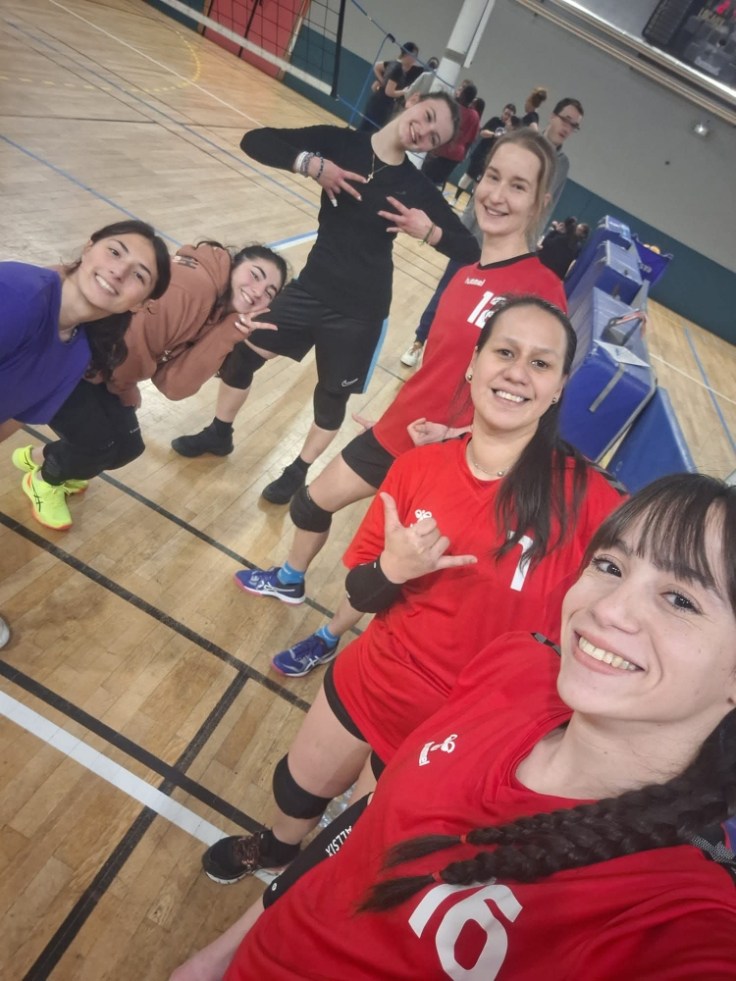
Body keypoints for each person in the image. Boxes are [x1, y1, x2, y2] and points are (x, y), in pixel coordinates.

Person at [174, 473, 736, 980]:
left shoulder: (675, 915)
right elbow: (361, 831)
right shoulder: (515, 668)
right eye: (610, 567)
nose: (608, 609)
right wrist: (225, 951)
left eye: (680, 599)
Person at [201, 294, 625, 886]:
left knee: (353, 858)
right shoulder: (417, 468)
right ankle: (274, 847)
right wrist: (392, 569)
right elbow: (359, 591)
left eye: (540, 363)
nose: (517, 373)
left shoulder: (593, 505)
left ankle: (297, 897)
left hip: (456, 727)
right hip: (375, 677)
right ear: (473, 364)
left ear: (558, 389)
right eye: (504, 353)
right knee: (296, 788)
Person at [239, 129, 568, 675]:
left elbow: (537, 399)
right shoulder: (466, 273)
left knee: (379, 570)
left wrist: (458, 436)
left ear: (540, 203)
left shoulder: (540, 291)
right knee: (310, 503)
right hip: (401, 432)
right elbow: (443, 366)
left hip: (452, 459)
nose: (496, 195)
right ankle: (290, 580)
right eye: (492, 177)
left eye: (518, 186)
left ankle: (326, 637)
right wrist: (397, 410)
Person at [171, 95, 479, 505]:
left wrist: (429, 232)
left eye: (433, 138)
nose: (422, 132)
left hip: (360, 312)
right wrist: (312, 165)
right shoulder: (340, 143)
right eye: (426, 118)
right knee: (242, 354)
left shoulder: (415, 187)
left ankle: (298, 471)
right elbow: (256, 140)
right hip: (310, 289)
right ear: (413, 101)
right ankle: (219, 433)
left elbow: (470, 249)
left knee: (331, 398)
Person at [11, 242, 287, 530]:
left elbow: (175, 385)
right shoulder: (194, 287)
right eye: (255, 275)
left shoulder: (222, 314)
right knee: (98, 447)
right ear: (234, 264)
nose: (258, 291)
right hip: (61, 352)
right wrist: (125, 387)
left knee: (127, 448)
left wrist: (228, 333)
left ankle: (42, 458)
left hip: (98, 362)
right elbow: (127, 344)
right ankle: (43, 480)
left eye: (270, 292)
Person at [403, 96, 584, 367]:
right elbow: (484, 189)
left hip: (511, 251)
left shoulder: (562, 165)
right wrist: (464, 226)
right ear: (553, 116)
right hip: (474, 240)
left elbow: (547, 208)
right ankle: (420, 341)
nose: (567, 127)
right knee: (447, 291)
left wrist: (530, 245)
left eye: (574, 125)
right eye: (565, 119)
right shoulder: (518, 140)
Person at [0, 219, 170, 447]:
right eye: (114, 252)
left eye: (139, 275)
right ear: (88, 247)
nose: (119, 272)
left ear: (140, 304)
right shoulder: (16, 295)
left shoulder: (79, 354)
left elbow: (13, 418)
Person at [450, 102, 516, 208]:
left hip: (491, 160)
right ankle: (455, 199)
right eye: (506, 113)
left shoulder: (510, 131)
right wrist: (494, 134)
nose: (506, 116)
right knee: (467, 178)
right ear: (503, 112)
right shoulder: (495, 121)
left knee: (479, 184)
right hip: (480, 154)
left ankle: (469, 206)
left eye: (509, 115)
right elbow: (482, 132)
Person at [420, 86, 480, 189]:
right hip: (456, 154)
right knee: (438, 182)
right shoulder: (475, 116)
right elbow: (471, 139)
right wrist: (463, 155)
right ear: (473, 99)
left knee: (424, 177)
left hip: (440, 148)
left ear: (462, 94)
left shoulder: (452, 107)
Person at [358, 42, 419, 132]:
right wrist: (404, 91)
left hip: (377, 101)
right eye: (414, 55)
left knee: (364, 129)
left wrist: (382, 82)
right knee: (369, 132)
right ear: (407, 54)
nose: (415, 59)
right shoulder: (398, 68)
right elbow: (389, 92)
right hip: (381, 105)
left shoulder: (393, 63)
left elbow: (377, 67)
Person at [537, 215, 584, 280]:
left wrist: (555, 231)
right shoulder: (576, 246)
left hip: (544, 270)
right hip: (556, 277)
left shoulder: (560, 239)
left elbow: (544, 244)